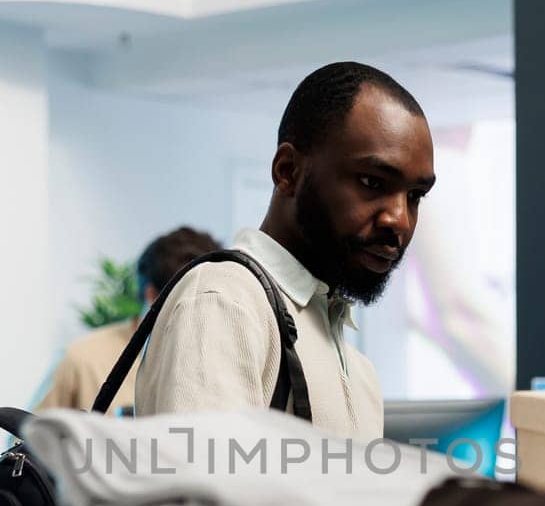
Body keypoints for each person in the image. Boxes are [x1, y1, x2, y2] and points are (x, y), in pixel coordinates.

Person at [135, 61, 436, 438]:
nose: (400, 220)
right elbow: (200, 493)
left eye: (415, 196)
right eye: (372, 182)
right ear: (288, 171)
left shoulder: (358, 370)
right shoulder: (224, 300)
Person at [35, 227, 221, 413]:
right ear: (152, 296)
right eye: (192, 301)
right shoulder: (82, 360)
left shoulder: (220, 363)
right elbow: (25, 436)